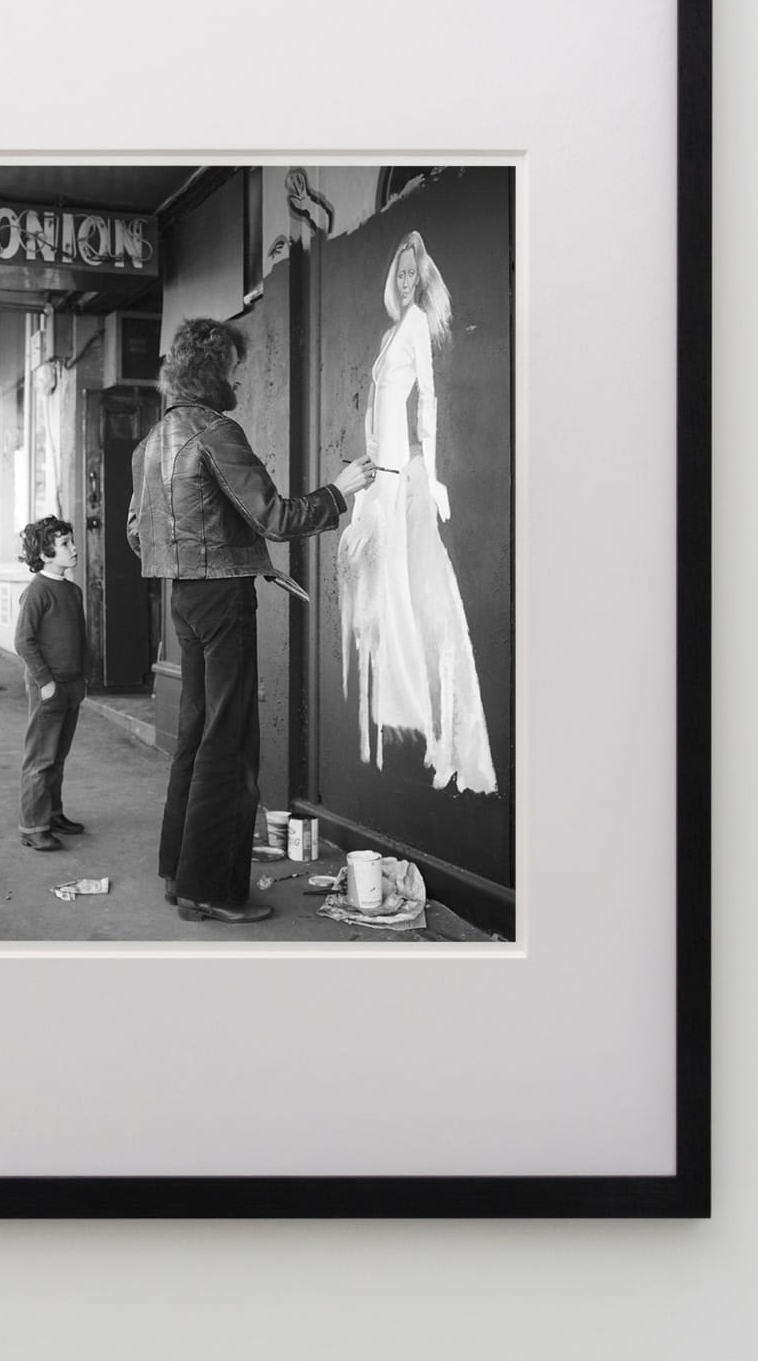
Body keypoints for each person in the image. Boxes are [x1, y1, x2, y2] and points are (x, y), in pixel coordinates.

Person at [127, 317, 376, 924]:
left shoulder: (152, 441)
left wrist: (209, 555)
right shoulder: (216, 431)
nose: (240, 375)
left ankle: (179, 874)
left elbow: (139, 534)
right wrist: (340, 492)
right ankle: (213, 889)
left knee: (195, 733)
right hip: (222, 600)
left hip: (181, 599)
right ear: (215, 371)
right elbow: (275, 517)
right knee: (230, 742)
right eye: (235, 365)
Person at [336, 230, 496, 790]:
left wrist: (431, 470)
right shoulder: (391, 332)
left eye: (413, 274)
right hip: (380, 473)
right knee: (377, 583)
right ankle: (397, 704)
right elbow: (379, 407)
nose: (406, 282)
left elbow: (427, 397)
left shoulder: (417, 327)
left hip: (400, 473)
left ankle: (421, 713)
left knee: (405, 589)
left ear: (423, 278)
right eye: (400, 273)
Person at [14, 516, 90, 852]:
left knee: (58, 756)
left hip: (72, 686)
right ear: (45, 554)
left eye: (71, 541)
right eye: (64, 544)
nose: (73, 548)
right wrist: (45, 682)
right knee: (40, 758)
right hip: (48, 688)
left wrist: (82, 678)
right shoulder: (37, 592)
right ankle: (32, 826)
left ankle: (53, 814)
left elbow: (80, 639)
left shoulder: (72, 591)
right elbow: (24, 641)